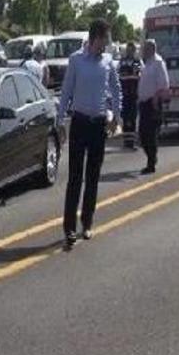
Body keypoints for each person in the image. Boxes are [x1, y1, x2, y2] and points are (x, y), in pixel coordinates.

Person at [58, 18, 122, 250]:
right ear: (96, 37)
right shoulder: (76, 60)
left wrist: (116, 116)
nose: (108, 44)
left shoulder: (108, 61)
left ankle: (87, 222)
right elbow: (66, 91)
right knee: (75, 177)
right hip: (80, 122)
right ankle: (69, 228)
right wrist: (60, 120)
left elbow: (116, 89)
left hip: (98, 125)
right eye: (106, 39)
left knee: (93, 176)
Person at [137, 39, 170, 174]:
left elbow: (164, 84)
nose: (143, 50)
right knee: (142, 134)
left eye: (145, 48)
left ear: (152, 49)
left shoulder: (158, 63)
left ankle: (151, 163)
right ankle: (152, 157)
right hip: (143, 103)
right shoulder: (147, 63)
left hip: (153, 103)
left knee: (150, 134)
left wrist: (156, 98)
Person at [118, 42, 143, 149]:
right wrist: (128, 75)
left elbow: (137, 75)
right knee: (125, 117)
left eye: (131, 50)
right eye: (128, 50)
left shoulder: (137, 61)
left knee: (132, 117)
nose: (129, 52)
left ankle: (131, 142)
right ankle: (126, 141)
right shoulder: (122, 62)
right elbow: (119, 75)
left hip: (133, 94)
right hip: (124, 94)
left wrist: (129, 75)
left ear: (134, 51)